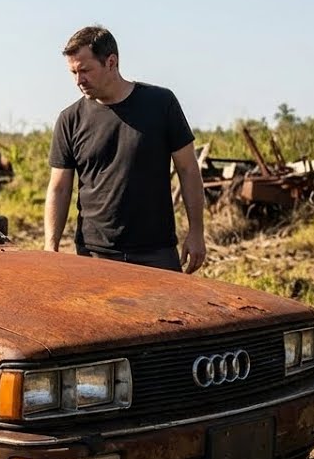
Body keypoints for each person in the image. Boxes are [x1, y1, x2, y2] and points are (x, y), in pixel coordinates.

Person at [44, 25, 206, 273]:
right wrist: (50, 246)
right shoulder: (70, 119)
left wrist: (196, 232)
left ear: (111, 62)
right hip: (94, 254)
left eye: (85, 70)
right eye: (73, 72)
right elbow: (59, 187)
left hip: (156, 253)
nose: (79, 80)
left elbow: (188, 169)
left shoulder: (160, 104)